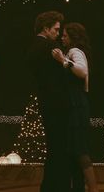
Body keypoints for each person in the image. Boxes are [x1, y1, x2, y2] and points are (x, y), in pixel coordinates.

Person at [26, 11, 72, 192]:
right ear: (46, 28)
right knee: (60, 148)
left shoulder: (32, 47)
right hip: (58, 103)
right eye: (56, 29)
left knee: (53, 147)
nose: (59, 34)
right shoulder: (50, 47)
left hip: (45, 101)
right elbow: (64, 75)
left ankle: (48, 187)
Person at [52, 22, 99, 192]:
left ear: (73, 37)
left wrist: (62, 60)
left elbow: (82, 71)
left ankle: (93, 189)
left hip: (77, 105)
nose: (62, 38)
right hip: (75, 104)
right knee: (75, 149)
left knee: (79, 149)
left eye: (65, 35)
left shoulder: (74, 52)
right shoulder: (72, 52)